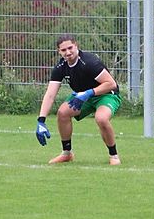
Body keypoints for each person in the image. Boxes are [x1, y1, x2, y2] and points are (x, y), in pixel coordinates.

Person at [36, 34, 122, 165]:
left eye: (70, 48)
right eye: (63, 50)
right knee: (63, 113)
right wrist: (41, 120)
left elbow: (111, 84)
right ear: (59, 51)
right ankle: (67, 154)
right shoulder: (60, 67)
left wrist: (89, 93)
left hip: (106, 94)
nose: (68, 52)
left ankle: (114, 156)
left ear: (76, 46)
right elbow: (50, 95)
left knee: (101, 118)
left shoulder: (89, 62)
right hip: (83, 96)